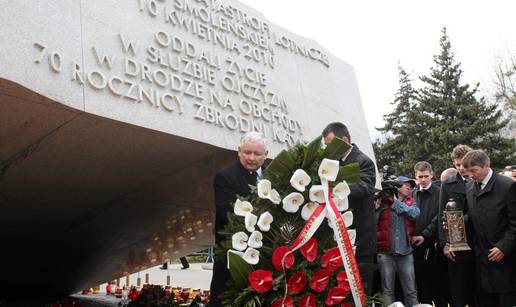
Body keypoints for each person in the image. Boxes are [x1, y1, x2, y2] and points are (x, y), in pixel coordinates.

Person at [209, 132, 268, 307]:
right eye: (247, 152)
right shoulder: (225, 177)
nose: (251, 158)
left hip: (266, 257)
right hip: (233, 257)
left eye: (257, 154)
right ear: (238, 151)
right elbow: (225, 213)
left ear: (266, 154)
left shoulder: (275, 173)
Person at [322, 122, 377, 295]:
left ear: (344, 140)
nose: (328, 149)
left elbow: (366, 187)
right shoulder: (332, 163)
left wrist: (336, 191)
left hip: (360, 238)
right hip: (338, 237)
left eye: (331, 144)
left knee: (361, 290)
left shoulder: (363, 161)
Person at [463, 150, 516, 307]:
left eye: (474, 171)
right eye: (468, 172)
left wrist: (504, 246)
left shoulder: (508, 186)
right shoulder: (470, 187)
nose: (471, 176)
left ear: (486, 166)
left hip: (505, 261)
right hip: (482, 261)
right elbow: (472, 217)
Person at [438, 144, 477, 307]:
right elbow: (441, 216)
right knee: (459, 293)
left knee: (479, 292)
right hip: (456, 246)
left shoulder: (479, 180)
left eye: (463, 164)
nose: (461, 168)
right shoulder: (448, 184)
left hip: (479, 242)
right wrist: (445, 245)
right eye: (457, 165)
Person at [376, 176, 420, 306]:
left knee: (411, 290)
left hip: (406, 253)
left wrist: (396, 203)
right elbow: (373, 221)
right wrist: (377, 205)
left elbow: (415, 214)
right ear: (396, 187)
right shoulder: (382, 202)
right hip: (385, 253)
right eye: (405, 185)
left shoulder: (411, 202)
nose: (409, 187)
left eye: (411, 186)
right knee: (387, 290)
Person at [412, 161, 448, 307]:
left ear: (432, 175)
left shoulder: (440, 192)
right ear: (415, 176)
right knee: (420, 283)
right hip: (415, 244)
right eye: (420, 176)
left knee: (436, 282)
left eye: (426, 176)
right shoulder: (413, 193)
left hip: (434, 244)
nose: (423, 179)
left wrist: (425, 235)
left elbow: (439, 217)